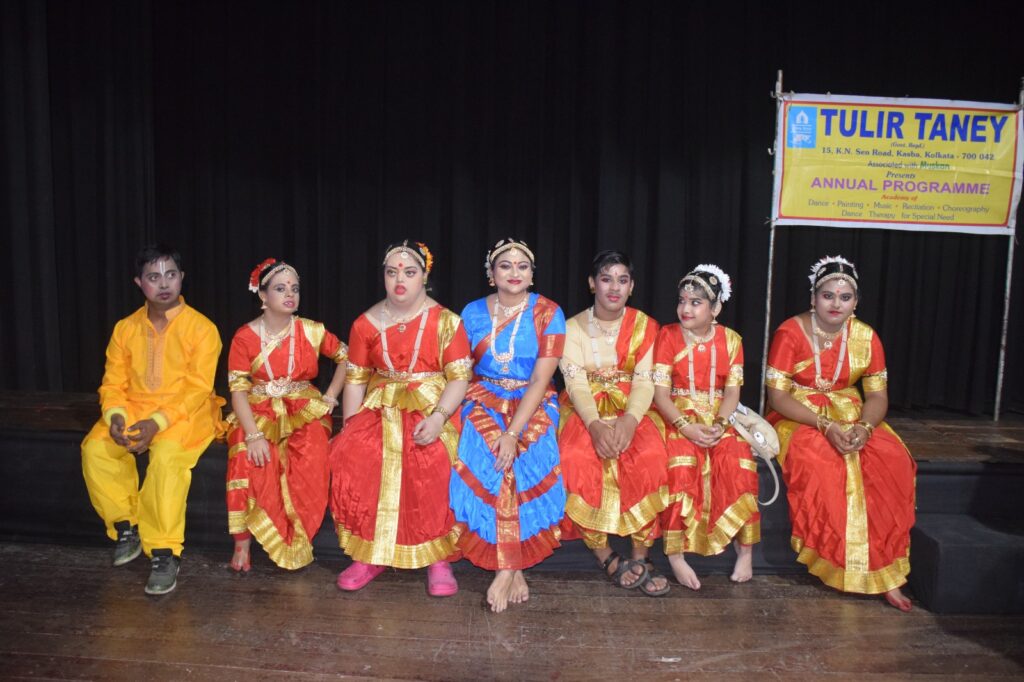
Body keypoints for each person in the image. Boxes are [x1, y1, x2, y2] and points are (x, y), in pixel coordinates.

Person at [765, 256, 916, 612]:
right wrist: (825, 425)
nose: (836, 304)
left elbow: (877, 397)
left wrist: (864, 427)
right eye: (828, 295)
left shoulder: (866, 336)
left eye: (845, 297)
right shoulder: (790, 333)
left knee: (891, 461)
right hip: (798, 416)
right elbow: (777, 398)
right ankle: (838, 563)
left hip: (852, 414)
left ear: (856, 302)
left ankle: (887, 575)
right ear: (813, 298)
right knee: (822, 463)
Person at [329, 240, 472, 596]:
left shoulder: (446, 321)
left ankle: (437, 558)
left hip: (435, 406)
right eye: (392, 272)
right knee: (359, 455)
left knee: (433, 458)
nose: (399, 280)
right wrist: (350, 426)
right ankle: (371, 553)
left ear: (424, 276)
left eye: (409, 272)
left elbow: (459, 379)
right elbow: (356, 379)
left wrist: (438, 419)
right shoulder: (365, 323)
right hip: (382, 405)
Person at [81, 244, 223, 595]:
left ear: (182, 278)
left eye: (170, 274)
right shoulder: (125, 329)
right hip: (134, 407)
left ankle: (164, 551)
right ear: (139, 282)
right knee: (96, 449)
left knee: (166, 460)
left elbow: (197, 389)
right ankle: (125, 526)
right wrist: (116, 417)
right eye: (153, 276)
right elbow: (113, 383)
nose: (164, 284)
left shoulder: (202, 329)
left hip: (187, 413)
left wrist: (157, 423)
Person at [450, 239, 566, 613]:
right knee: (487, 460)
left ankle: (506, 569)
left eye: (522, 266)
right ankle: (513, 568)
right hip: (482, 398)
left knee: (524, 461)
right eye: (505, 265)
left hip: (533, 401)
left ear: (532, 275)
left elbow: (540, 380)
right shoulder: (471, 313)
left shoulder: (549, 312)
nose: (514, 273)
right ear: (491, 274)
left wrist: (513, 433)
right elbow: (461, 370)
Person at [558, 251, 671, 597]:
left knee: (650, 456)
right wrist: (594, 426)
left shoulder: (646, 326)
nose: (614, 287)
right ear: (592, 283)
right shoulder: (571, 327)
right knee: (575, 458)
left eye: (622, 280)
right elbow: (575, 383)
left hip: (633, 406)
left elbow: (645, 380)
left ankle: (641, 553)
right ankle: (604, 554)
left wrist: (631, 421)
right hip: (584, 408)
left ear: (631, 287)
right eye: (606, 279)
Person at [224, 259, 347, 572]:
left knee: (313, 455)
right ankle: (242, 541)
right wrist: (253, 435)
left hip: (303, 407)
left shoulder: (312, 330)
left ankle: (298, 538)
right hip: (256, 410)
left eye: (295, 288)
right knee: (246, 456)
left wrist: (331, 396)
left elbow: (346, 357)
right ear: (262, 295)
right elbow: (238, 391)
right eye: (281, 288)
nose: (290, 294)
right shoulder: (245, 337)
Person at [653, 264, 759, 589]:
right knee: (682, 464)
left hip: (719, 415)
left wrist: (721, 424)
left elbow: (732, 392)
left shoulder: (732, 340)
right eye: (682, 300)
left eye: (696, 302)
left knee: (738, 462)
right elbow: (660, 394)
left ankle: (745, 551)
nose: (685, 308)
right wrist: (686, 427)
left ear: (715, 309)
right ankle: (675, 555)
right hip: (676, 414)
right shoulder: (667, 336)